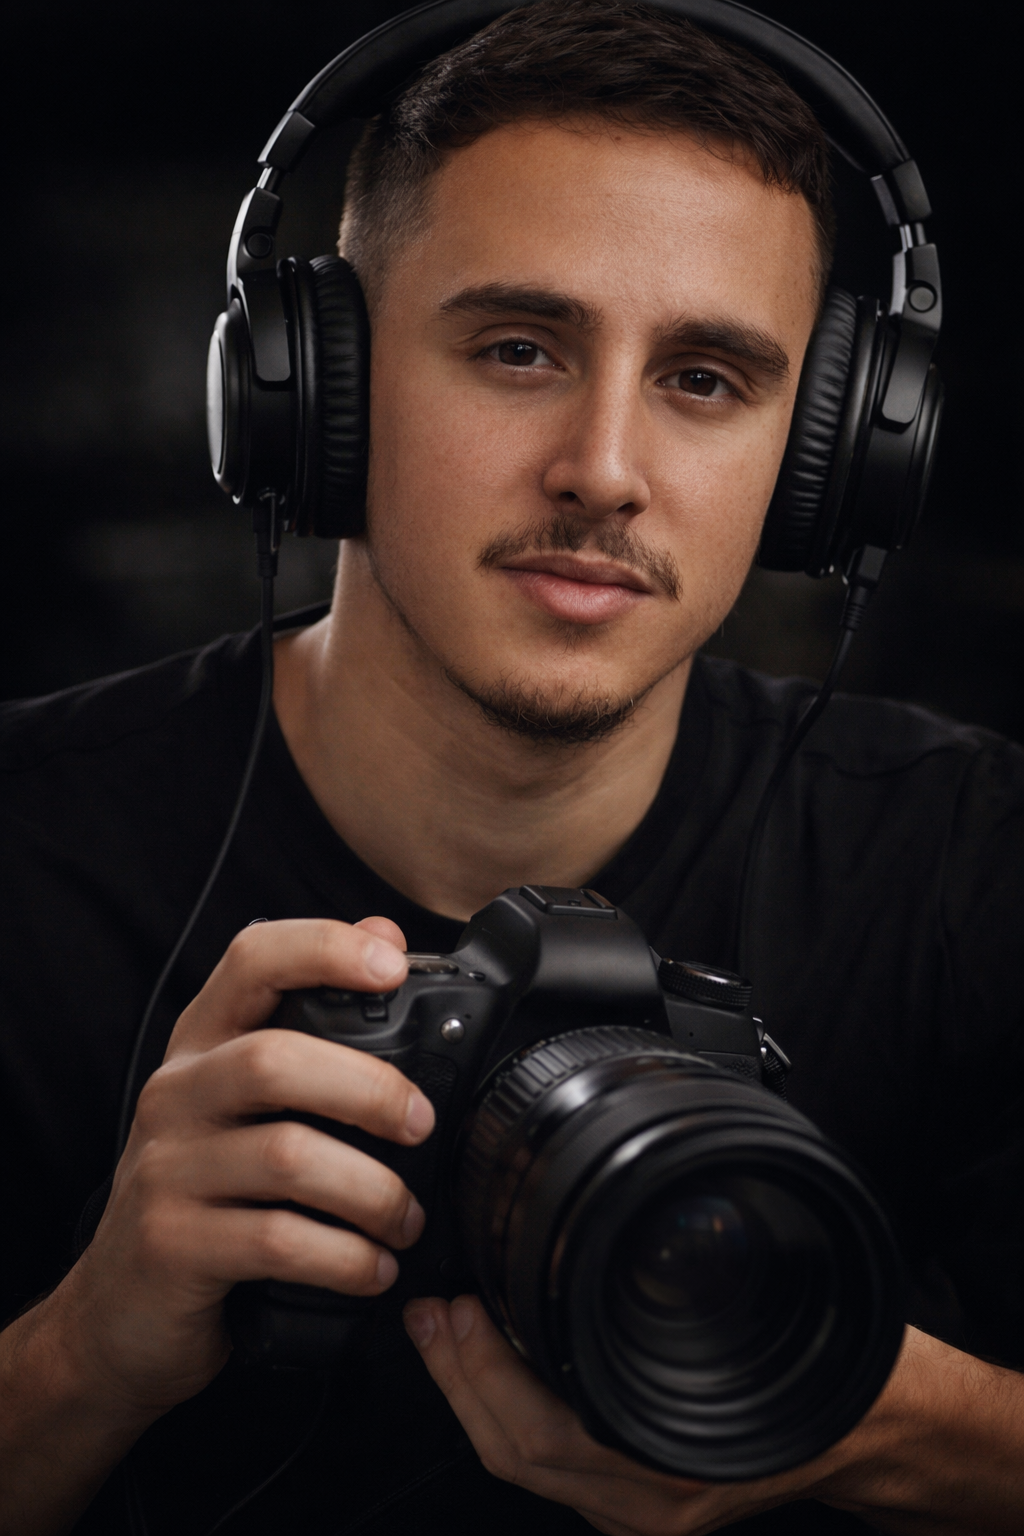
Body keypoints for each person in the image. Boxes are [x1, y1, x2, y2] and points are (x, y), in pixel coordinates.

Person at [1, 3, 1022, 1532]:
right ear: (313, 398)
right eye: (518, 348)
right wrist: (87, 1348)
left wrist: (881, 1428)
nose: (604, 468)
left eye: (705, 379)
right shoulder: (26, 851)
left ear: (830, 467)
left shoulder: (975, 859)